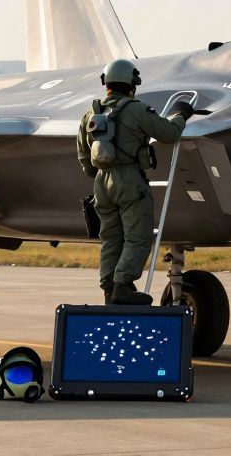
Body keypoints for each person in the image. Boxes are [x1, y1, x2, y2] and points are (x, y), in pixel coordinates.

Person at [77, 58, 191, 305]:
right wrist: (182, 114)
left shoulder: (90, 114)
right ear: (132, 83)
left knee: (111, 239)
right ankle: (123, 287)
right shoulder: (136, 109)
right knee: (138, 237)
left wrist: (103, 174)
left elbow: (85, 159)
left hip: (101, 183)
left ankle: (110, 290)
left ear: (105, 83)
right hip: (130, 181)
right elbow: (169, 133)